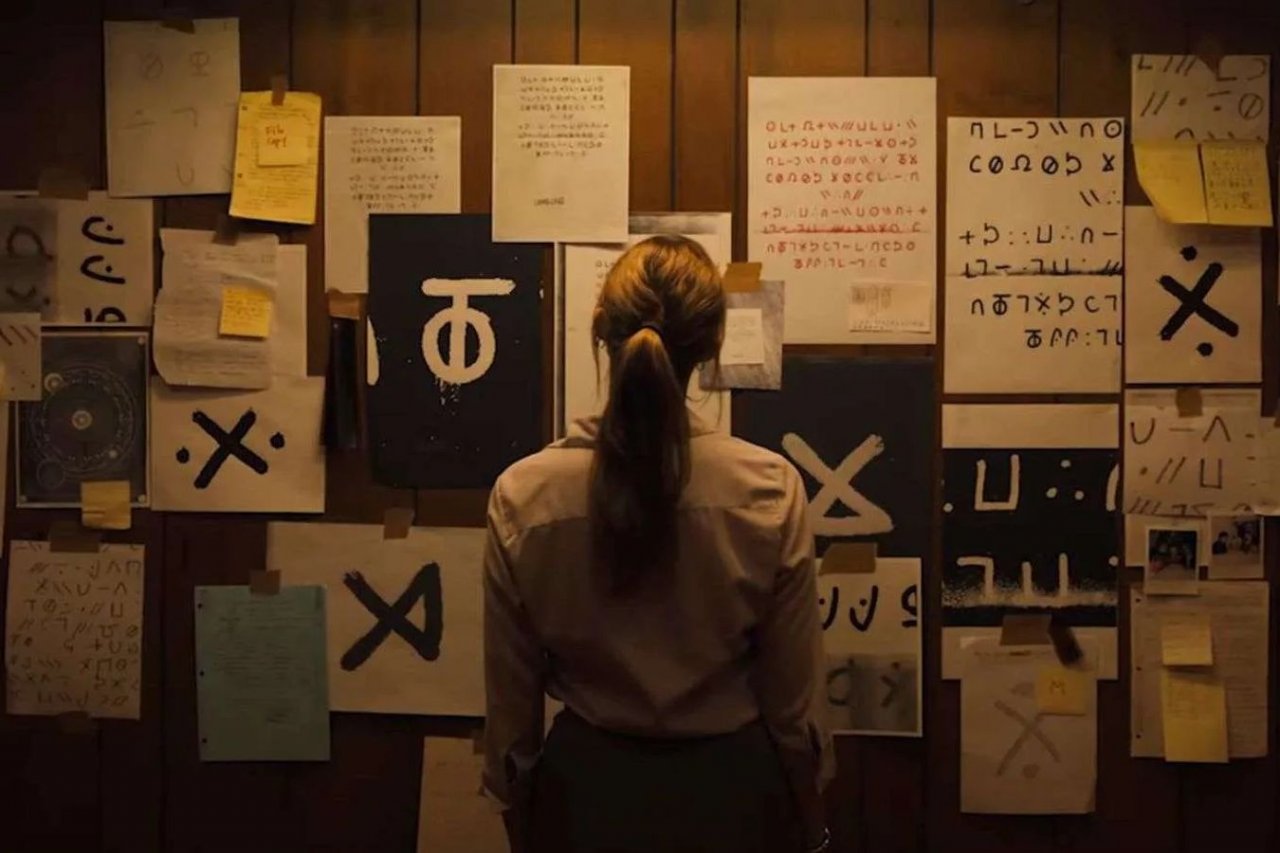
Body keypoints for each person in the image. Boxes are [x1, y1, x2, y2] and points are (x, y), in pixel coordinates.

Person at [482, 235, 833, 853]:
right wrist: (812, 826)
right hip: (733, 795)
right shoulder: (768, 488)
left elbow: (512, 715)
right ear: (713, 342)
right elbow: (793, 706)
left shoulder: (524, 494)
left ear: (601, 330)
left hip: (586, 796)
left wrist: (522, 822)